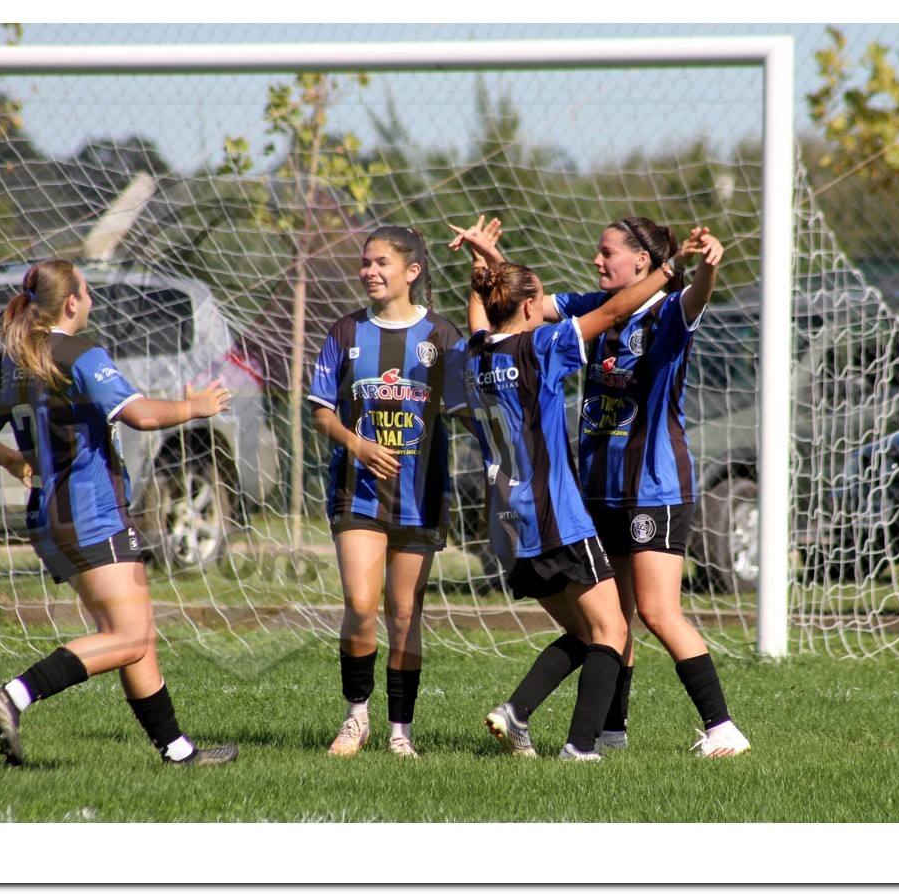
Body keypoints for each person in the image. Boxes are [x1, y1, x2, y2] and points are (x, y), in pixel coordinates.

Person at [464, 216, 752, 757]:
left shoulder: (666, 309)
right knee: (615, 621)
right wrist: (492, 271)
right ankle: (609, 732)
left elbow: (694, 296)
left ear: (641, 261)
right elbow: (521, 309)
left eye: (607, 252)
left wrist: (702, 269)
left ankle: (721, 727)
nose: (596, 260)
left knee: (656, 612)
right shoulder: (587, 307)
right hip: (594, 489)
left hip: (653, 487)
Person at [0, 258, 239, 767]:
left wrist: (14, 460)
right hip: (92, 513)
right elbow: (140, 415)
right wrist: (193, 409)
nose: (90, 300)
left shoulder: (10, 361)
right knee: (128, 636)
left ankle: (178, 751)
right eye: (86, 292)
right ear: (71, 303)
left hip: (50, 517)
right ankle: (14, 695)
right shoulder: (78, 353)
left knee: (134, 633)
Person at [449, 217, 675, 761]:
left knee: (586, 634)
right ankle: (581, 746)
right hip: (558, 518)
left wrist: (483, 268)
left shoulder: (473, 355)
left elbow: (480, 316)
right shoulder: (539, 348)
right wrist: (667, 271)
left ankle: (516, 712)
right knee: (613, 631)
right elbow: (614, 312)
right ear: (530, 307)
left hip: (509, 528)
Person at [308, 225, 467, 759]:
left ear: (412, 272)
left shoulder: (441, 334)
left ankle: (401, 731)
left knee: (404, 614)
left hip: (422, 497)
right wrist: (358, 444)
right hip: (356, 493)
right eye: (365, 262)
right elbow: (321, 412)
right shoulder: (346, 331)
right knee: (360, 604)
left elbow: (467, 406)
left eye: (381, 263)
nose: (369, 271)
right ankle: (356, 718)